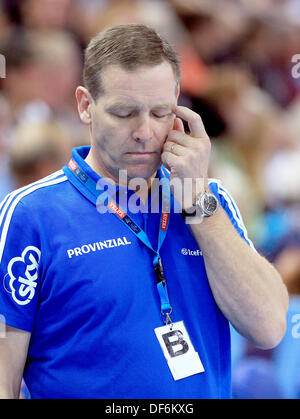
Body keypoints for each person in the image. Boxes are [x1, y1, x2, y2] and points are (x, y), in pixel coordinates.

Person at [0, 23, 288, 399]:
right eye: (124, 113)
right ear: (86, 106)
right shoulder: (32, 213)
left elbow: (267, 327)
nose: (144, 132)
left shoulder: (208, 203)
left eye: (159, 112)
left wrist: (196, 200)